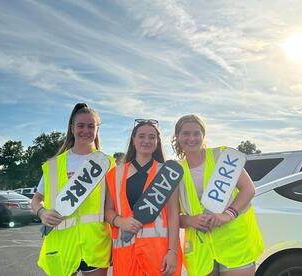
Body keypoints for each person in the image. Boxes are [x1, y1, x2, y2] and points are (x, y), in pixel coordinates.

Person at [171, 114, 264, 276]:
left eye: (196, 133)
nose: (191, 138)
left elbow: (248, 189)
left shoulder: (222, 156)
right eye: (186, 133)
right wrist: (190, 220)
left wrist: (228, 215)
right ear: (177, 137)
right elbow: (172, 215)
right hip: (201, 250)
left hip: (234, 242)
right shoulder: (175, 171)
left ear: (203, 136)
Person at [31, 103, 113, 276]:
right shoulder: (53, 165)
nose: (86, 130)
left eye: (91, 126)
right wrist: (42, 213)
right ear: (72, 128)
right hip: (61, 243)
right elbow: (37, 199)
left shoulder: (108, 164)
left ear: (98, 129)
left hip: (95, 243)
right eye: (80, 125)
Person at [104, 119, 182, 276]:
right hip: (126, 255)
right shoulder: (115, 174)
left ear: (157, 141)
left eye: (152, 137)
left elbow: (174, 214)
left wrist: (172, 252)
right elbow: (108, 211)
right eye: (141, 136)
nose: (146, 141)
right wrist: (120, 221)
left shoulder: (167, 173)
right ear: (133, 140)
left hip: (159, 254)